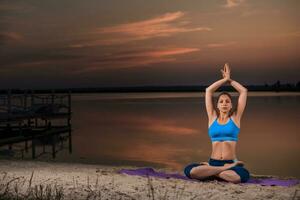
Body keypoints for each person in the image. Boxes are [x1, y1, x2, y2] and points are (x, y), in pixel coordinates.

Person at [184, 63, 250, 183]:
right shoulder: (212, 117)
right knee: (191, 171)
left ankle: (212, 172)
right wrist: (224, 79)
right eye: (221, 101)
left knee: (236, 177)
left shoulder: (235, 118)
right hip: (214, 162)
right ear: (217, 105)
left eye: (227, 101)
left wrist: (230, 80)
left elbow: (243, 91)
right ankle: (220, 170)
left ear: (231, 105)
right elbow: (209, 91)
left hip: (231, 162)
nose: (224, 103)